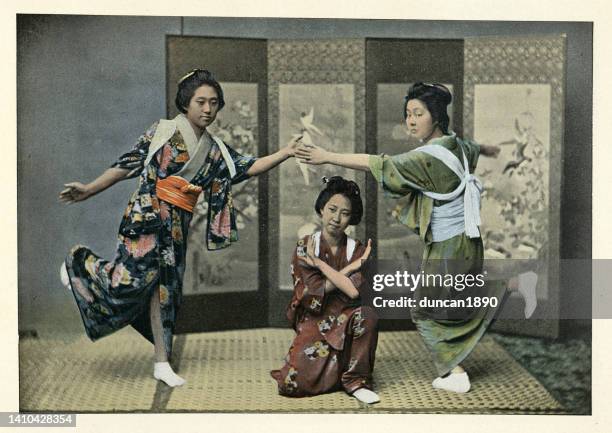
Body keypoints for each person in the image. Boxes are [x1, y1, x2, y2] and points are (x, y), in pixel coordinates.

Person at [59, 69, 300, 387]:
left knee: (164, 294)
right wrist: (89, 189)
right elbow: (127, 164)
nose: (208, 109)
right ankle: (79, 264)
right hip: (145, 216)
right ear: (186, 102)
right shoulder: (163, 131)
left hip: (176, 227)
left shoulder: (214, 150)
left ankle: (162, 362)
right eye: (201, 101)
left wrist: (285, 152)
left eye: (214, 103)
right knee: (128, 283)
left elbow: (246, 167)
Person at [296, 82, 537, 393]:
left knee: (424, 309)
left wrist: (326, 155)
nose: (410, 121)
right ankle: (519, 283)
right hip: (468, 239)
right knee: (461, 296)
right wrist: (488, 149)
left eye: (418, 114)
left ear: (435, 116)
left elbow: (378, 164)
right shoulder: (456, 145)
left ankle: (454, 373)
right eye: (407, 114)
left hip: (449, 243)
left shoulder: (427, 158)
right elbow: (473, 148)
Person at [271, 177, 380, 404]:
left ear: (352, 218)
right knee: (291, 384)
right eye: (332, 209)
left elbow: (352, 292)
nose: (336, 218)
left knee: (367, 315)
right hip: (315, 316)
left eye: (345, 213)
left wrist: (320, 265)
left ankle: (355, 380)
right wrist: (350, 269)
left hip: (348, 316)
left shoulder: (357, 249)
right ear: (322, 209)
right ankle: (335, 374)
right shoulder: (306, 245)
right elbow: (313, 291)